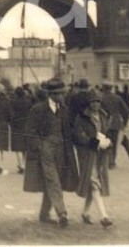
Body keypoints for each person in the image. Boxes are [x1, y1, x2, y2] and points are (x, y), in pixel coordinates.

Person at [23, 79, 79, 228]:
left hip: (62, 150)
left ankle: (44, 213)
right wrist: (40, 146)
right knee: (53, 179)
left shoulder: (65, 110)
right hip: (46, 149)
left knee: (55, 181)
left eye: (63, 93)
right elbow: (30, 131)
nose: (63, 96)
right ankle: (62, 213)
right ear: (52, 94)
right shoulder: (38, 109)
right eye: (60, 94)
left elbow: (72, 130)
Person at [72, 90, 114, 230]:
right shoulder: (82, 117)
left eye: (98, 101)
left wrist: (108, 141)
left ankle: (85, 212)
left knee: (93, 183)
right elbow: (78, 136)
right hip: (86, 153)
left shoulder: (103, 115)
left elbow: (106, 132)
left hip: (100, 153)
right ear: (89, 103)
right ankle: (104, 216)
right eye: (93, 102)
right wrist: (95, 142)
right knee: (95, 182)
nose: (95, 104)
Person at [100, 86, 129, 169]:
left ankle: (107, 160)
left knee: (105, 141)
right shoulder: (117, 98)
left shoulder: (101, 98)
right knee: (114, 142)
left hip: (104, 122)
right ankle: (112, 162)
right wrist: (124, 122)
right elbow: (126, 110)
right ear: (111, 89)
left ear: (104, 89)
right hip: (116, 122)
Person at [10, 87, 33, 174]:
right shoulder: (28, 102)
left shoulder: (13, 102)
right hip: (26, 125)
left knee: (17, 147)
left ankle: (21, 165)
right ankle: (24, 163)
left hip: (16, 126)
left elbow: (11, 114)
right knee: (25, 146)